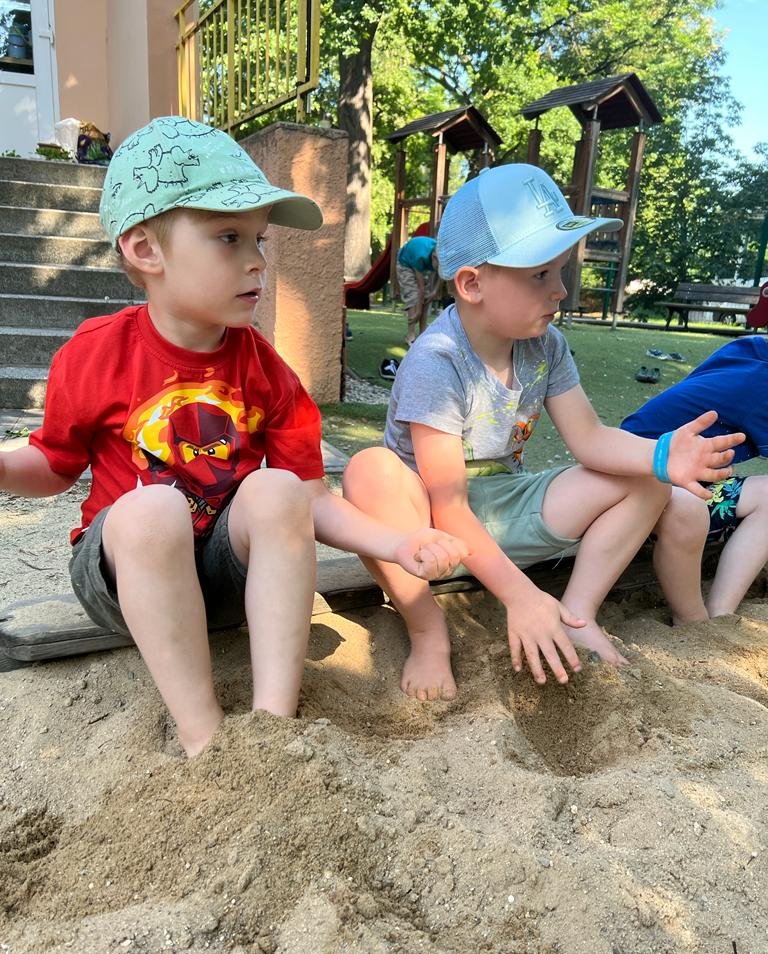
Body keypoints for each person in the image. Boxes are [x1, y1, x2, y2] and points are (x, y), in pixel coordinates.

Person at [0, 116, 467, 757]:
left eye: (259, 239)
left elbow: (312, 500)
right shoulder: (97, 353)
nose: (257, 262)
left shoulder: (264, 368)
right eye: (228, 237)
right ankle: (205, 738)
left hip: (228, 580)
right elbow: (53, 465)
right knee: (154, 509)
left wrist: (398, 540)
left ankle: (271, 731)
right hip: (126, 579)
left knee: (278, 489)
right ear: (145, 250)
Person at [342, 164, 744, 702]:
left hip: (504, 509)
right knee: (369, 470)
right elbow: (449, 505)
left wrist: (663, 455)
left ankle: (577, 613)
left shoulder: (545, 344)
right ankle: (428, 632)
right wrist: (522, 597)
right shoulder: (438, 359)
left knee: (647, 478)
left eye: (560, 271)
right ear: (472, 284)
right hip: (426, 530)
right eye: (539, 275)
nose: (561, 290)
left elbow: (590, 438)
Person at [621, 334, 768, 620]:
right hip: (649, 485)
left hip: (639, 466)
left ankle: (719, 615)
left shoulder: (749, 350)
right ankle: (717, 614)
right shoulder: (762, 383)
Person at [396, 234, 441, 345]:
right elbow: (421, 289)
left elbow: (443, 275)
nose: (440, 268)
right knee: (413, 295)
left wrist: (434, 292)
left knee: (427, 297)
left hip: (422, 265)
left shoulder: (442, 255)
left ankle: (422, 333)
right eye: (439, 266)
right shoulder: (420, 256)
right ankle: (410, 335)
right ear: (434, 257)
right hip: (405, 263)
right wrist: (418, 312)